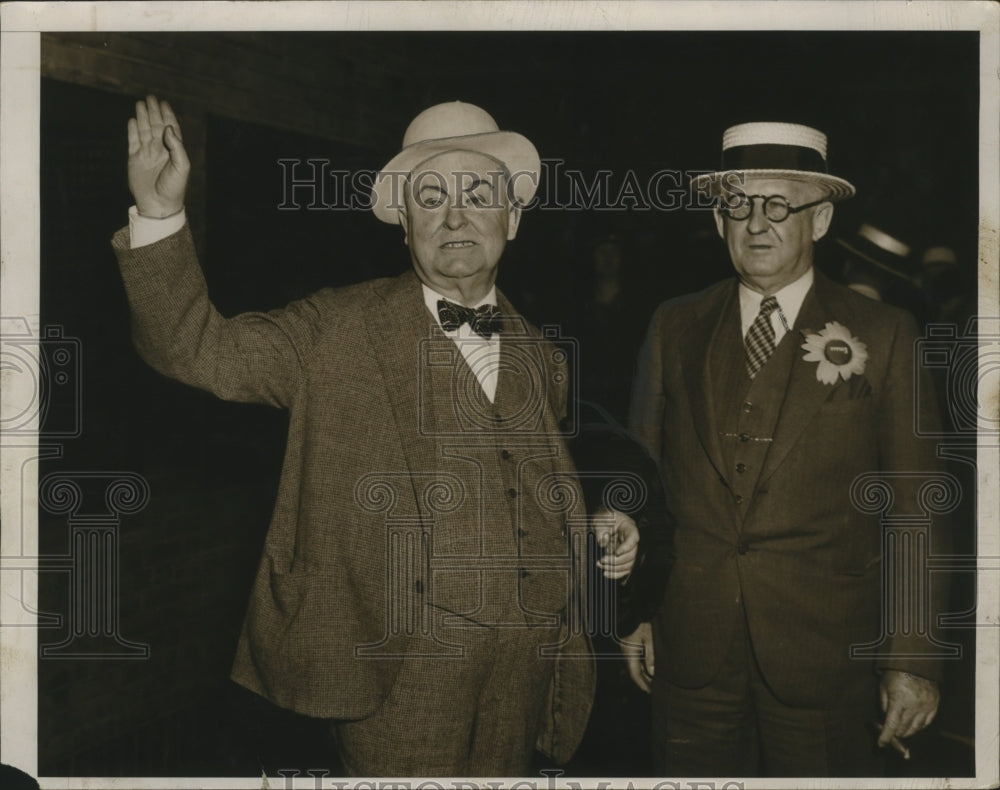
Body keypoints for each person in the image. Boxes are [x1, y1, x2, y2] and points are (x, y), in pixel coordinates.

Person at [112, 96, 640, 777]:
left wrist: (591, 520)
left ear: (511, 218)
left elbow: (532, 480)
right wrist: (160, 216)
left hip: (526, 670)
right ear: (405, 226)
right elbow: (196, 348)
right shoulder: (333, 329)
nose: (455, 216)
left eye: (479, 194)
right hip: (399, 674)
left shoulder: (544, 356)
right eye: (431, 197)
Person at [625, 122, 951, 777]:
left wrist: (911, 658)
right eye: (737, 206)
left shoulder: (885, 335)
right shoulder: (674, 324)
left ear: (821, 220)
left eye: (779, 206)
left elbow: (917, 508)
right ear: (719, 223)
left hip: (827, 661)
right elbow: (640, 487)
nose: (756, 223)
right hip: (690, 653)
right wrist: (632, 610)